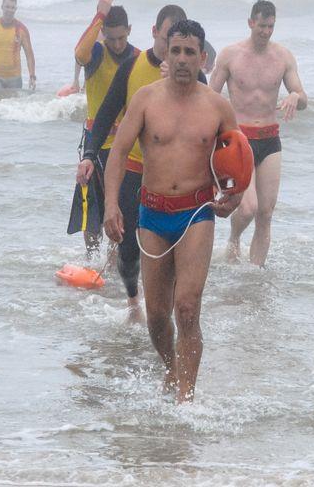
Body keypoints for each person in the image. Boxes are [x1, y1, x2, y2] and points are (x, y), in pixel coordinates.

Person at [102, 20, 242, 402]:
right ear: (166, 51)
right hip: (152, 213)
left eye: (189, 52)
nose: (181, 59)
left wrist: (233, 198)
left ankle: (186, 397)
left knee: (186, 307)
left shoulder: (218, 107)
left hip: (196, 213)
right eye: (175, 50)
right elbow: (117, 153)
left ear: (203, 57)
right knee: (158, 315)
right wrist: (112, 204)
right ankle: (171, 366)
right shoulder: (146, 99)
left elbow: (237, 163)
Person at [76, 4, 193, 321]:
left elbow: (208, 117)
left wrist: (185, 84)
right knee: (127, 248)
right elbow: (104, 117)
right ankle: (133, 305)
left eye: (181, 40)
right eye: (169, 37)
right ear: (155, 32)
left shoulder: (191, 74)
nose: (175, 47)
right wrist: (89, 156)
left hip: (173, 177)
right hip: (134, 170)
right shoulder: (132, 66)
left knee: (168, 246)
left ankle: (166, 306)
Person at [209, 0, 307, 266]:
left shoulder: (283, 57)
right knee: (248, 207)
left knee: (265, 212)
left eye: (271, 26)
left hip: (270, 139)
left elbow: (302, 95)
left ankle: (256, 274)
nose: (266, 31)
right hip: (238, 140)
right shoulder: (230, 55)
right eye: (262, 25)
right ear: (251, 22)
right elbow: (209, 96)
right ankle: (234, 237)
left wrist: (295, 97)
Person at [69, 0, 139, 254]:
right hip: (95, 144)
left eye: (122, 37)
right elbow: (79, 52)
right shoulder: (96, 54)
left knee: (120, 207)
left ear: (129, 30)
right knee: (92, 211)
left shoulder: (137, 58)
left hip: (126, 146)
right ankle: (92, 259)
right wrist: (99, 14)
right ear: (104, 35)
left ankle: (113, 264)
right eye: (112, 38)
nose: (118, 44)